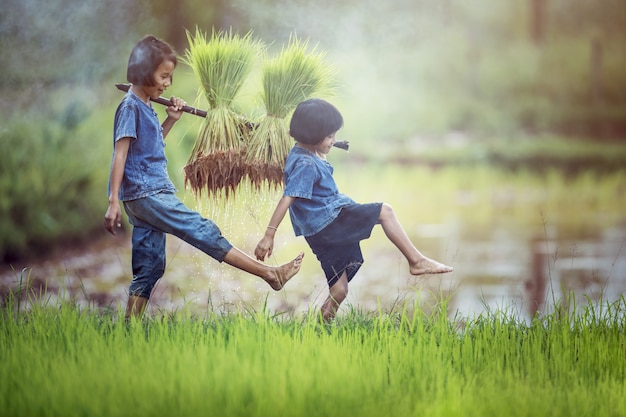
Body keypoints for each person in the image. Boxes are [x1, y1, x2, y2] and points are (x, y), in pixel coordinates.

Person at [104, 35, 304, 319]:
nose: (167, 84)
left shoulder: (146, 104)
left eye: (170, 77)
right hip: (146, 194)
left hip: (151, 193)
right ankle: (269, 274)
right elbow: (120, 154)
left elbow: (147, 148)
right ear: (143, 71)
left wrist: (171, 119)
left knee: (150, 266)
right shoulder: (129, 107)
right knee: (201, 229)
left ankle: (129, 329)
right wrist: (113, 201)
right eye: (163, 76)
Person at [255, 98, 453, 322]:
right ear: (312, 136)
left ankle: (320, 329)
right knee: (385, 211)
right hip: (330, 221)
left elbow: (314, 151)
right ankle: (416, 261)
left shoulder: (303, 152)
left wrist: (326, 145)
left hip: (318, 233)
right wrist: (269, 234)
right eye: (330, 136)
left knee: (339, 291)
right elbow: (288, 197)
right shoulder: (306, 165)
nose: (334, 140)